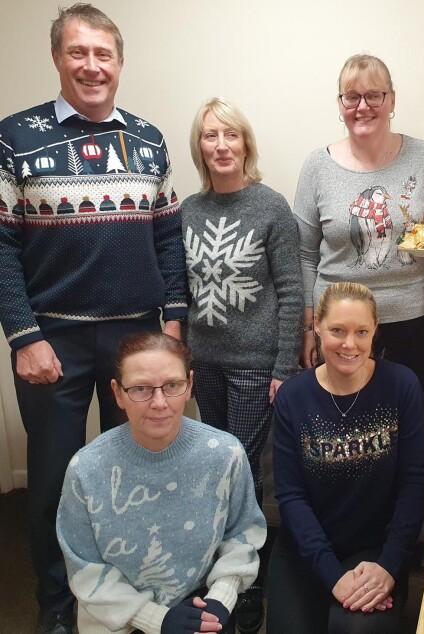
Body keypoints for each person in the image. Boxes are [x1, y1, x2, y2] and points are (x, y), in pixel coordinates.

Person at [0, 5, 188, 633]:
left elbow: (168, 239)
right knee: (54, 485)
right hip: (50, 338)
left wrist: (174, 327)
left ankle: (129, 602)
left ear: (119, 62)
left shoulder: (149, 139)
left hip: (136, 338)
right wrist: (24, 335)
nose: (91, 65)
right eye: (78, 53)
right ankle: (57, 609)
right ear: (58, 58)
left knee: (134, 475)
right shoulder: (14, 139)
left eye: (102, 54)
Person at [182, 97, 303, 632]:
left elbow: (292, 292)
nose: (221, 145)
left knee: (243, 470)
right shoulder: (188, 209)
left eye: (231, 135)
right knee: (216, 466)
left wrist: (283, 366)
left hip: (256, 364)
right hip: (205, 360)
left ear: (246, 143)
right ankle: (224, 566)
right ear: (200, 147)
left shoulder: (271, 206)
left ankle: (244, 582)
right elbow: (179, 288)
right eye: (211, 136)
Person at [56, 332, 267, 634]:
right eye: (141, 388)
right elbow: (84, 568)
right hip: (117, 619)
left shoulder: (225, 454)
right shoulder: (86, 469)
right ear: (118, 393)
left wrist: (221, 598)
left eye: (172, 386)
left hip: (201, 607)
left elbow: (242, 535)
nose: (159, 403)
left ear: (190, 385)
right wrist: (155, 619)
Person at [293, 53, 424, 436]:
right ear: (340, 105)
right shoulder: (317, 166)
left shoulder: (423, 157)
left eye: (373, 95)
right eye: (351, 97)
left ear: (392, 101)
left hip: (410, 320)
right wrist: (308, 326)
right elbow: (302, 254)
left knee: (408, 430)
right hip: (338, 328)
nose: (362, 106)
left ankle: (411, 498)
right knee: (341, 432)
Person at [268, 282, 424, 633]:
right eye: (337, 331)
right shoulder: (293, 397)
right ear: (317, 328)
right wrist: (331, 575)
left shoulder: (402, 385)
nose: (349, 344)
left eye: (361, 332)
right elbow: (291, 496)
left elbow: (415, 484)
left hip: (375, 548)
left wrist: (388, 565)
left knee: (356, 629)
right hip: (307, 547)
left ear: (375, 332)